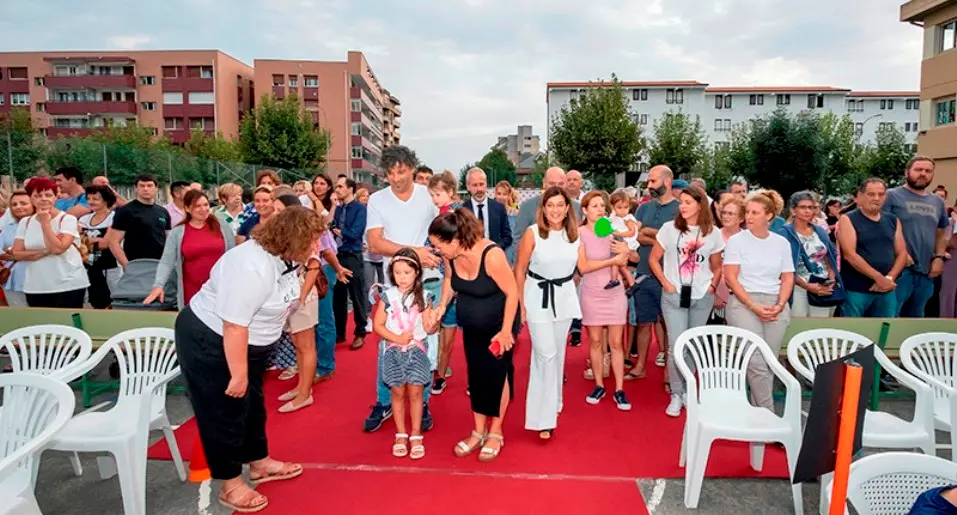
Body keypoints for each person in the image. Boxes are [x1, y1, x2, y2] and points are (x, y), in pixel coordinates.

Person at [175, 207, 322, 513]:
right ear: (292, 238)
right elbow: (234, 325)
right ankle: (230, 484)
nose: (315, 246)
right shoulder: (250, 265)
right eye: (312, 240)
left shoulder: (286, 258)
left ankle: (259, 462)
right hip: (213, 340)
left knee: (253, 406)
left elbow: (290, 302)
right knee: (224, 411)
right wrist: (238, 374)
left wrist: (309, 269)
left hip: (249, 342)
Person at [430, 209, 519, 462]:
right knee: (476, 376)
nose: (437, 251)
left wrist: (504, 332)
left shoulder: (492, 255)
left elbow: (512, 293)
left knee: (497, 375)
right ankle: (478, 430)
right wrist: (441, 307)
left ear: (456, 240)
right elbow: (449, 280)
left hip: (500, 324)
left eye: (438, 245)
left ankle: (496, 431)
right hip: (471, 326)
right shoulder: (451, 257)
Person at [364, 145, 441, 433]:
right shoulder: (377, 200)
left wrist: (432, 254)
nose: (396, 178)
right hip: (393, 282)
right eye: (390, 173)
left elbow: (443, 227)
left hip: (429, 279)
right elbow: (375, 243)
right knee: (389, 343)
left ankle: (423, 404)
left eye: (401, 171)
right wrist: (413, 253)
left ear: (412, 168)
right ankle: (384, 401)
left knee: (425, 342)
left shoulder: (426, 195)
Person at [649, 186, 724, 417]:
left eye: (688, 202)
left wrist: (712, 286)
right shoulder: (669, 229)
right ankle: (676, 392)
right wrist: (665, 282)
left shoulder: (713, 233)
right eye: (681, 202)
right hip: (673, 295)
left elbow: (717, 264)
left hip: (702, 295)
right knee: (675, 346)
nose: (682, 206)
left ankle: (688, 391)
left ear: (700, 205)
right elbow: (654, 259)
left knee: (693, 345)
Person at [514, 187, 582, 439]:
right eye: (550, 205)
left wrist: (617, 257)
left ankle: (554, 402)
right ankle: (543, 418)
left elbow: (586, 262)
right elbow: (519, 269)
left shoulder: (575, 235)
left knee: (558, 354)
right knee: (546, 354)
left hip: (563, 298)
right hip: (536, 297)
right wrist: (520, 305)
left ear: (567, 209)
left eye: (559, 205)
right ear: (543, 208)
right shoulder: (533, 234)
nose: (554, 210)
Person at [723, 192, 795, 411]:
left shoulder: (781, 243)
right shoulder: (737, 241)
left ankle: (758, 414)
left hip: (776, 303)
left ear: (769, 216)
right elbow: (731, 278)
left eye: (755, 213)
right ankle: (769, 415)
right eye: (747, 212)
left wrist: (780, 305)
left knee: (769, 362)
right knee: (755, 361)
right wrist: (752, 306)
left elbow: (788, 276)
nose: (749, 217)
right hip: (744, 302)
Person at [374, 248, 439, 459]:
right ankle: (401, 433)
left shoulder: (425, 296)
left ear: (417, 273)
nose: (402, 277)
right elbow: (378, 325)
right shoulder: (387, 296)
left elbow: (429, 328)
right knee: (397, 392)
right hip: (393, 351)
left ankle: (416, 433)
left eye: (407, 273)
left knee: (416, 392)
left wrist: (433, 323)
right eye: (398, 272)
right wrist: (396, 338)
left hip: (417, 351)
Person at [578, 191, 633, 409]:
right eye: (594, 206)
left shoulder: (610, 230)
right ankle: (599, 385)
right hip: (591, 291)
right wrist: (612, 261)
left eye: (602, 205)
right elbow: (583, 267)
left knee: (617, 343)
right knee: (596, 342)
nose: (600, 209)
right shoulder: (579, 233)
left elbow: (630, 256)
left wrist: (626, 251)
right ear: (585, 210)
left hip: (615, 291)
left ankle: (619, 389)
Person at [883, 156, 950, 317]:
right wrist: (901, 253)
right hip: (899, 270)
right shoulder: (891, 196)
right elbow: (882, 228)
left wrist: (939, 258)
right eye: (918, 170)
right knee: (891, 317)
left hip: (926, 272)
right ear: (907, 173)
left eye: (928, 171)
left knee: (916, 320)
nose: (923, 174)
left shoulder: (937, 202)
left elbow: (940, 233)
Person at [146, 190, 235, 310]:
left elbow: (232, 256)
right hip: (192, 292)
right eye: (198, 206)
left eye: (206, 204)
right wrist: (158, 286)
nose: (203, 209)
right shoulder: (177, 232)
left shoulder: (222, 226)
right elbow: (167, 262)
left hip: (220, 290)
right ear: (187, 209)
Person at [11, 177, 90, 308]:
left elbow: (58, 249)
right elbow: (17, 253)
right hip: (36, 285)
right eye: (38, 195)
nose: (43, 199)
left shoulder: (67, 219)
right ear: (31, 198)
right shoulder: (25, 222)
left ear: (55, 197)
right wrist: (45, 251)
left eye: (48, 195)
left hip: (68, 284)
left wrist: (45, 223)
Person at [632, 165, 679, 383]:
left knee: (669, 325)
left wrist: (650, 235)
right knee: (643, 323)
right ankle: (640, 365)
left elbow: (676, 243)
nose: (649, 186)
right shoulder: (643, 209)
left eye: (652, 181)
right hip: (643, 273)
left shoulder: (680, 210)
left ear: (667, 182)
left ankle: (670, 372)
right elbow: (637, 236)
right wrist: (659, 237)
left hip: (669, 276)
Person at [838, 178, 908, 318]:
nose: (877, 198)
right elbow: (850, 255)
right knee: (853, 332)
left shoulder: (893, 220)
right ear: (860, 196)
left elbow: (902, 253)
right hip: (856, 290)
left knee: (884, 331)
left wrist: (889, 278)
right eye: (871, 194)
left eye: (881, 194)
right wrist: (878, 278)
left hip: (887, 290)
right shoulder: (848, 219)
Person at [778, 191, 841, 317]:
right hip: (797, 286)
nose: (807, 211)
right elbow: (781, 266)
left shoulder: (820, 231)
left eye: (811, 207)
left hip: (822, 285)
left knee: (820, 328)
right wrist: (807, 286)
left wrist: (831, 279)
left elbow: (828, 256)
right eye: (803, 207)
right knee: (798, 324)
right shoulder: (784, 233)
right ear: (793, 210)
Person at [332, 176, 369, 350]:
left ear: (350, 189)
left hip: (353, 255)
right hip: (337, 256)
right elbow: (332, 228)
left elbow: (355, 233)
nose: (337, 189)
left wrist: (340, 232)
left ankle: (360, 332)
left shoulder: (360, 209)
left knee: (357, 295)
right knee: (338, 297)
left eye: (340, 186)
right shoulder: (338, 210)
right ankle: (340, 333)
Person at [106, 173, 170, 269]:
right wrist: (126, 265)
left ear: (156, 188)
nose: (145, 189)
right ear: (136, 188)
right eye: (142, 186)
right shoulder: (126, 211)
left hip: (160, 264)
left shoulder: (163, 212)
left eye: (149, 185)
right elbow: (113, 242)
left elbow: (169, 240)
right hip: (136, 264)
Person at [78, 185, 120, 309]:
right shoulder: (84, 219)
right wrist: (96, 240)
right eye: (89, 198)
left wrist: (87, 240)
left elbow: (106, 243)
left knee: (114, 298)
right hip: (89, 267)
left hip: (111, 266)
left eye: (95, 199)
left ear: (106, 200)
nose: (91, 202)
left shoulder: (115, 218)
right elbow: (78, 243)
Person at [459, 168, 513, 250]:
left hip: (494, 257)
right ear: (468, 186)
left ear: (486, 184)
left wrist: (495, 249)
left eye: (481, 184)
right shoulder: (462, 211)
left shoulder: (499, 208)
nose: (479, 189)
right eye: (475, 185)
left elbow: (507, 237)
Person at [0, 190, 34, 306]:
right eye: (14, 204)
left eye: (23, 203)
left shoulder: (46, 225)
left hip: (41, 278)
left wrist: (14, 253)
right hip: (13, 280)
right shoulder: (8, 228)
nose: (18, 207)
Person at [606, 190, 639, 291]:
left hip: (627, 242)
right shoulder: (614, 218)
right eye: (619, 207)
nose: (623, 210)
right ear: (612, 207)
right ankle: (631, 283)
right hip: (620, 241)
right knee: (620, 265)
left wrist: (618, 234)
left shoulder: (628, 218)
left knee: (616, 262)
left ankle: (614, 279)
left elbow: (632, 232)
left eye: (626, 207)